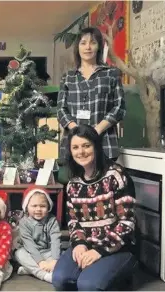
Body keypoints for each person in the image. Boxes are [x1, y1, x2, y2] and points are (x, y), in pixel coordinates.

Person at [52, 124, 137, 291]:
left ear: (96, 146)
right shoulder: (73, 184)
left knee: (87, 285)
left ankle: (121, 277)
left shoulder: (116, 176)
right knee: (60, 279)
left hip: (118, 248)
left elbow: (126, 223)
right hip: (87, 244)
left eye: (86, 146)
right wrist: (78, 244)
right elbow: (73, 220)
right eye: (75, 147)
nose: (81, 152)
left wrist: (99, 251)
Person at [57, 27, 126, 162]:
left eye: (92, 43)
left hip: (104, 142)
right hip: (74, 145)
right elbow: (61, 109)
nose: (88, 47)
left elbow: (119, 107)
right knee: (76, 182)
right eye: (83, 43)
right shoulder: (68, 77)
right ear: (77, 47)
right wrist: (77, 132)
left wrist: (96, 130)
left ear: (99, 46)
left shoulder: (111, 74)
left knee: (104, 182)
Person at [15, 186, 61, 283]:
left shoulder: (52, 220)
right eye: (34, 206)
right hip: (30, 252)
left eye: (42, 206)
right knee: (19, 254)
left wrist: (54, 260)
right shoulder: (24, 222)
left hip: (48, 251)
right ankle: (44, 275)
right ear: (26, 207)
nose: (38, 209)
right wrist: (40, 262)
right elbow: (29, 245)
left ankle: (29, 269)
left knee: (61, 258)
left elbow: (55, 240)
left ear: (48, 207)